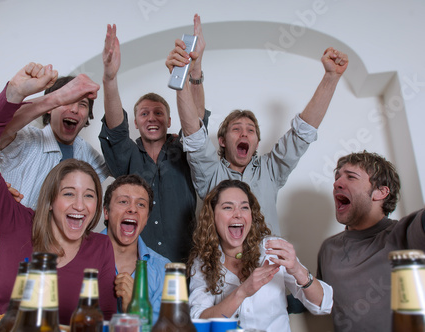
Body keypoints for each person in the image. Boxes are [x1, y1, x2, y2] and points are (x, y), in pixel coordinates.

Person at [0, 63, 116, 331]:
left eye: (89, 195)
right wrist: (40, 97)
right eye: (68, 193)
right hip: (7, 256)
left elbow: (125, 168)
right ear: (50, 198)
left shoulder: (87, 154)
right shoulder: (26, 139)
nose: (79, 203)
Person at [171, 45, 349, 237]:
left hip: (268, 265)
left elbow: (302, 133)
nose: (244, 134)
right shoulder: (210, 172)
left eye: (251, 130)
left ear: (257, 143)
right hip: (221, 265)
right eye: (236, 129)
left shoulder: (271, 170)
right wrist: (180, 77)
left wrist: (331, 78)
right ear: (222, 141)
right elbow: (194, 136)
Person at [99, 14, 209, 262]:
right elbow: (115, 129)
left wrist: (194, 68)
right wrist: (110, 78)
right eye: (144, 114)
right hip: (135, 268)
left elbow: (196, 120)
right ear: (135, 123)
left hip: (185, 266)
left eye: (159, 113)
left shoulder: (184, 150)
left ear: (169, 121)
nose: (152, 118)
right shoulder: (127, 155)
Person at [187, 180, 333, 330]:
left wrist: (297, 269)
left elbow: (323, 305)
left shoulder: (272, 249)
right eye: (228, 207)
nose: (238, 214)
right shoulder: (203, 262)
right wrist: (242, 292)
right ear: (212, 216)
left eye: (244, 207)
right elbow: (199, 322)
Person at [317, 151, 425, 332]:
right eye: (337, 177)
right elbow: (317, 297)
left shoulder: (404, 234)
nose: (336, 183)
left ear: (380, 192)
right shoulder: (328, 249)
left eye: (351, 177)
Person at [100, 174, 170, 323]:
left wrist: (135, 310)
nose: (132, 209)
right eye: (123, 201)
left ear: (147, 218)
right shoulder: (80, 255)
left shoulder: (164, 270)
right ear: (106, 212)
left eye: (141, 204)